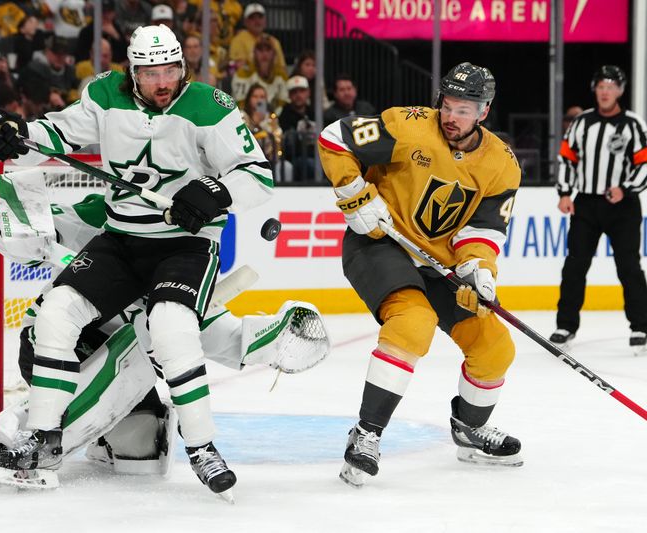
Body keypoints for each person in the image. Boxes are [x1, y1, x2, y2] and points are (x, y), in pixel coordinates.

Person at [0, 24, 274, 499]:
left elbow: (257, 176)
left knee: (171, 324)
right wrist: (18, 132)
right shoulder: (104, 95)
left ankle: (203, 446)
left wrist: (216, 191)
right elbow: (58, 132)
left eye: (170, 69)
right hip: (121, 238)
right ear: (133, 72)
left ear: (183, 67)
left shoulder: (209, 108)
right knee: (56, 312)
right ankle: (45, 437)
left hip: (184, 244)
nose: (162, 82)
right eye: (150, 72)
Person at [0, 192, 330, 490]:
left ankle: (100, 436)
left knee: (142, 451)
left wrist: (270, 342)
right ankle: (7, 446)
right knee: (134, 349)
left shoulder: (189, 249)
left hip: (127, 346)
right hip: (60, 345)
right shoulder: (110, 213)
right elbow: (25, 229)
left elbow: (213, 334)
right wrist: (15, 232)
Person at [318, 62, 523, 487]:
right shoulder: (408, 126)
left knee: (495, 346)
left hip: (440, 265)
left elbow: (482, 231)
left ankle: (468, 429)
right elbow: (334, 138)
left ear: (484, 112)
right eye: (448, 106)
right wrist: (354, 193)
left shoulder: (502, 164)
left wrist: (478, 273)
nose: (452, 117)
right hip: (379, 243)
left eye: (464, 110)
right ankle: (366, 435)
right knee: (414, 323)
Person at [550, 66, 647, 354]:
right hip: (587, 204)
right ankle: (565, 325)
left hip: (623, 206)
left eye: (611, 86)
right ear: (595, 89)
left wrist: (626, 188)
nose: (606, 91)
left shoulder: (633, 124)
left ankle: (640, 325)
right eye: (601, 85)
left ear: (620, 90)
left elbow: (643, 164)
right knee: (575, 265)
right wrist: (565, 192)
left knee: (628, 267)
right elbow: (567, 158)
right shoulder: (581, 122)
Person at [230, 35, 287, 112]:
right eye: (260, 50)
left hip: (274, 118)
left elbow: (283, 102)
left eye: (268, 50)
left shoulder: (281, 75)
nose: (264, 54)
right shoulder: (243, 74)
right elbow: (240, 103)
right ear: (254, 53)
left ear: (274, 54)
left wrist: (273, 118)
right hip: (247, 118)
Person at [228, 3, 286, 75]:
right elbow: (239, 66)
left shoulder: (274, 41)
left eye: (260, 17)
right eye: (252, 18)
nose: (257, 21)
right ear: (245, 22)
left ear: (265, 21)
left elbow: (282, 68)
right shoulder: (238, 40)